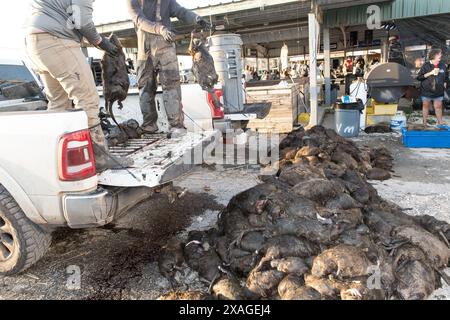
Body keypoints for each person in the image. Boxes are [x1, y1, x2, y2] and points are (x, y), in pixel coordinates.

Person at [25, 0, 133, 172]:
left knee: (58, 103)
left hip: (35, 42)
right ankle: (100, 157)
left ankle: (53, 156)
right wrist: (100, 42)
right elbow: (82, 20)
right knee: (87, 100)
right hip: (57, 41)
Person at [127, 0, 211, 134]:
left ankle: (176, 125)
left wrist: (196, 18)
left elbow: (181, 11)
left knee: (171, 86)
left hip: (166, 48)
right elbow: (140, 20)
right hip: (145, 50)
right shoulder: (133, 1)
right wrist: (161, 29)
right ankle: (149, 125)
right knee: (146, 87)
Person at [417, 48, 449, 126]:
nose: (441, 55)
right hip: (427, 91)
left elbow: (446, 76)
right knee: (426, 106)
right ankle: (424, 122)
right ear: (434, 55)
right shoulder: (426, 65)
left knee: (438, 107)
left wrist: (445, 82)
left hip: (438, 91)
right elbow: (419, 77)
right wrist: (430, 73)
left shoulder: (443, 65)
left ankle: (440, 122)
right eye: (439, 54)